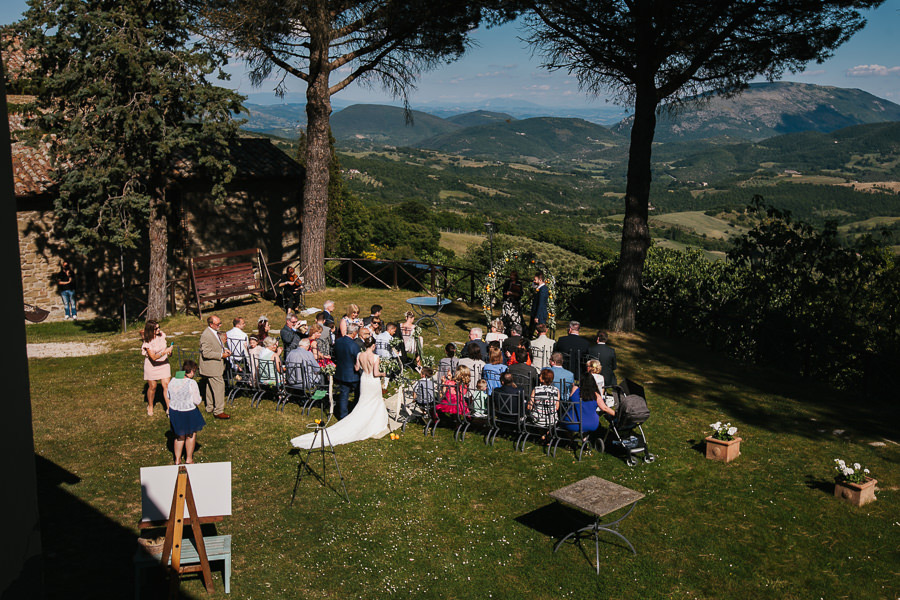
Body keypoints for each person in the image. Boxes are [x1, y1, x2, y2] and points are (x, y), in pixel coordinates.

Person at [291, 336, 390, 449]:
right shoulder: (376, 357)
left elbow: (357, 368)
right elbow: (376, 373)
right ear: (373, 346)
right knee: (374, 401)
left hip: (364, 379)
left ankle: (362, 418)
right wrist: (384, 373)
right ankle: (372, 421)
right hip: (372, 381)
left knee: (364, 401)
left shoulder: (360, 355)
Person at [166, 360, 206, 465]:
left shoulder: (172, 380)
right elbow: (196, 401)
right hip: (189, 411)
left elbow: (168, 396)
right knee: (190, 435)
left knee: (179, 436)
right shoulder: (191, 383)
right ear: (192, 371)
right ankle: (189, 459)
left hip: (175, 411)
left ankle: (177, 459)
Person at [561, 367, 611, 437]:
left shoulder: (575, 389)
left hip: (571, 423)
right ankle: (584, 438)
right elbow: (605, 408)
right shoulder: (596, 395)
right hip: (591, 424)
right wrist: (616, 414)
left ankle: (571, 439)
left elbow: (569, 399)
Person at [199, 315, 231, 420]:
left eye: (220, 322)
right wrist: (221, 355)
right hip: (212, 367)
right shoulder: (206, 335)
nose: (220, 325)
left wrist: (224, 349)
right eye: (218, 324)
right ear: (211, 324)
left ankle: (210, 407)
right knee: (219, 388)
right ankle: (219, 411)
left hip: (212, 367)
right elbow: (206, 353)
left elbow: (217, 345)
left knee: (210, 387)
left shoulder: (214, 332)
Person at [141, 319, 173, 416]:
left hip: (164, 364)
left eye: (159, 327)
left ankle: (169, 409)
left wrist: (170, 352)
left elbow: (167, 351)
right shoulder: (147, 342)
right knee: (153, 387)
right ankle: (150, 405)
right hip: (152, 365)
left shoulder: (162, 336)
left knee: (166, 385)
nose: (158, 330)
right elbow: (154, 357)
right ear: (150, 330)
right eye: (156, 329)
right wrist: (164, 352)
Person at [332, 324, 361, 419]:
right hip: (352, 374)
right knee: (357, 394)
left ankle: (343, 415)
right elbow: (357, 359)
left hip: (341, 371)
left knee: (344, 394)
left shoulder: (338, 341)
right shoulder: (354, 345)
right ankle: (355, 412)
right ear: (354, 333)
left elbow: (335, 355)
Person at [529, 271, 549, 336]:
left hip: (539, 314)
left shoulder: (543, 290)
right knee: (531, 331)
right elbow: (533, 285)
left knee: (539, 331)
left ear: (540, 280)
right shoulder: (539, 288)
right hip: (535, 313)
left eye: (535, 280)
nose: (534, 281)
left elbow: (541, 304)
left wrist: (537, 316)